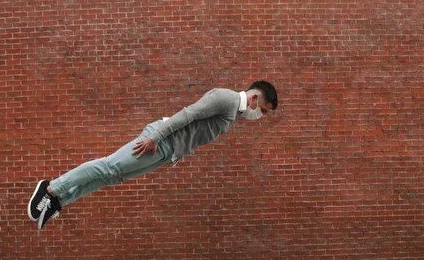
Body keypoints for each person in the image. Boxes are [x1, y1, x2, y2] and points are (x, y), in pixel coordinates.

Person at [27, 81, 278, 230]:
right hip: (158, 142)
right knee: (108, 167)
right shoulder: (226, 98)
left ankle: (59, 202)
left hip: (167, 153)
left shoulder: (233, 112)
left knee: (113, 177)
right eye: (263, 111)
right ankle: (50, 189)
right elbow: (188, 114)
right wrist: (155, 137)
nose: (260, 116)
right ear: (255, 98)